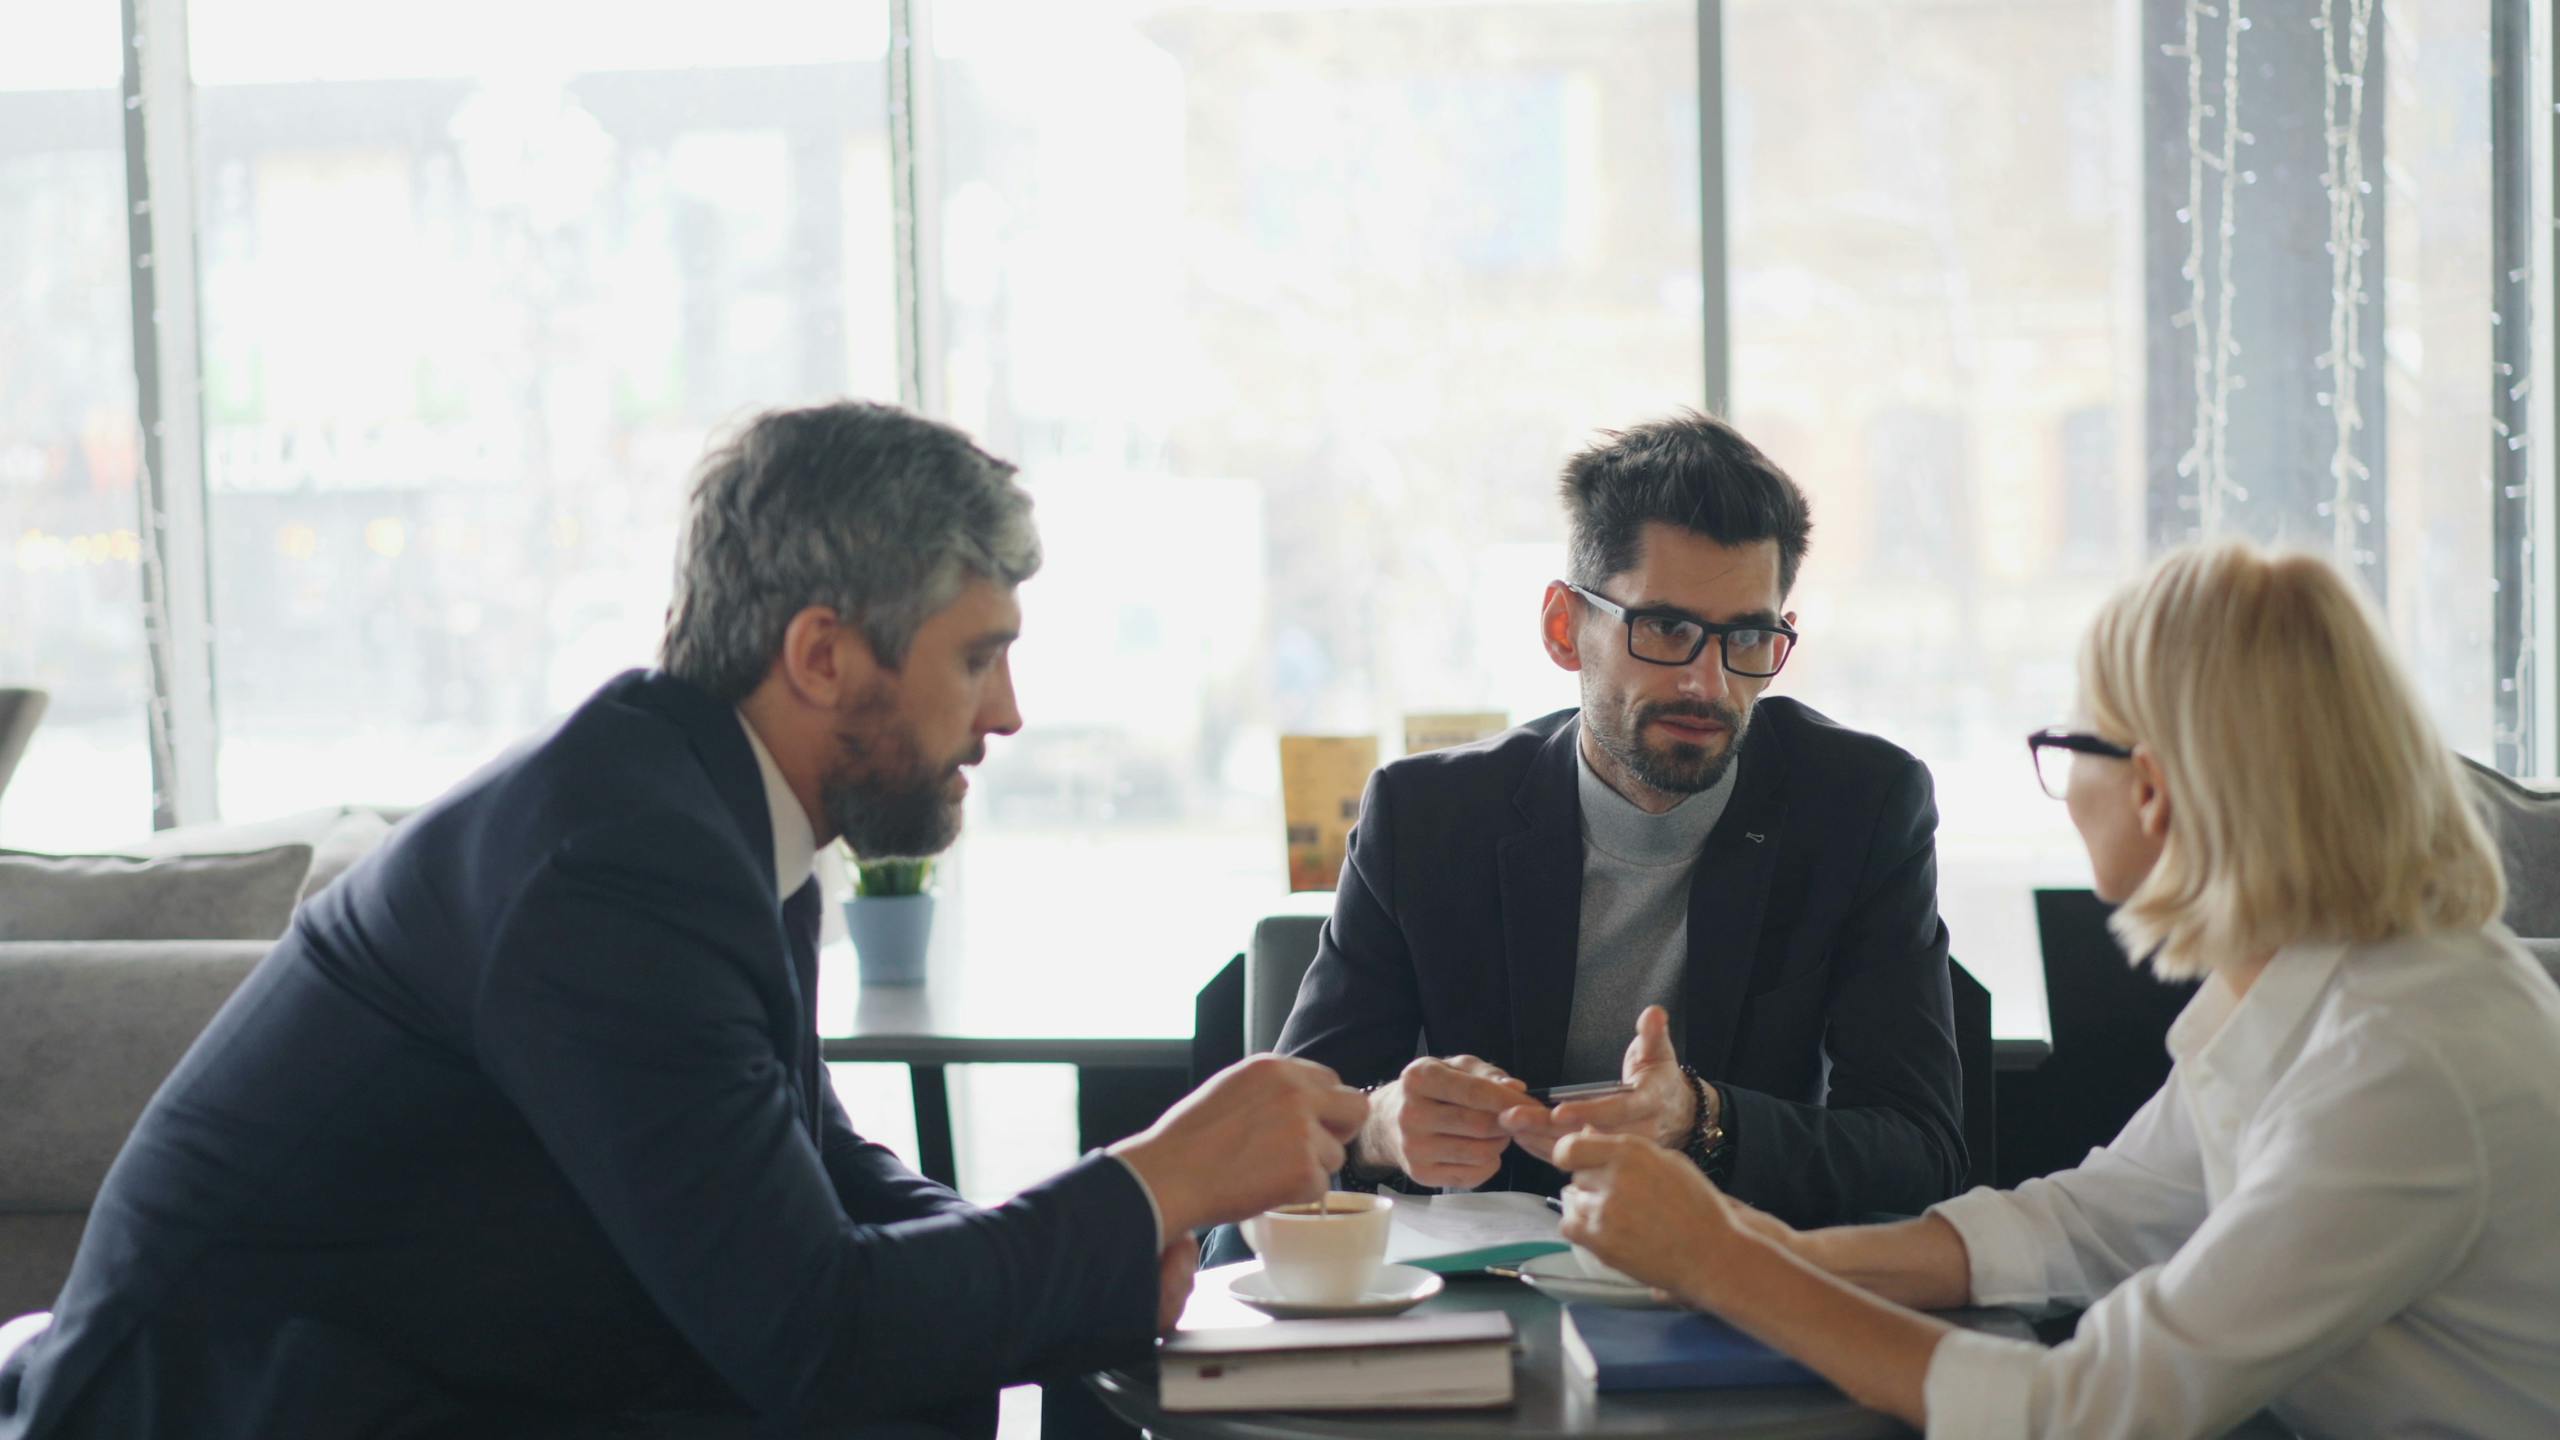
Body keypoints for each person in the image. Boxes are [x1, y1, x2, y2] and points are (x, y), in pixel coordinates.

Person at [0, 402, 1369, 1440]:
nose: (1005, 714)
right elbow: (814, 1328)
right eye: (976, 656)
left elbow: (817, 1164)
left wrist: (1085, 1248)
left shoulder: (694, 808)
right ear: (823, 654)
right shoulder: (620, 866)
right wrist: (1152, 1183)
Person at [1553, 542, 2560, 1437]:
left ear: (2154, 790)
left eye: (2070, 744)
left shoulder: (2397, 1063)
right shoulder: (2314, 991)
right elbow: (2087, 1226)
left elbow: (2083, 1411)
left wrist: (1725, 1268)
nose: (2064, 781)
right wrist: (1751, 1243)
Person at [1275, 411, 1965, 1225]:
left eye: (1747, 636)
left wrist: (1703, 1118)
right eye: (1666, 628)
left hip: (1731, 1294)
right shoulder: (1425, 821)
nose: (1709, 684)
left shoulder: (1858, 807)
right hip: (1478, 1297)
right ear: (1566, 629)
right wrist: (1378, 1129)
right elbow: (1288, 1136)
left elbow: (1922, 1153)